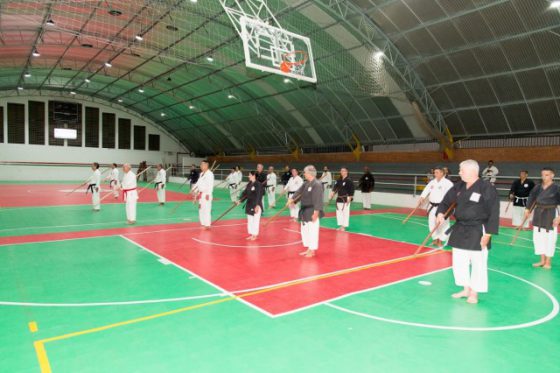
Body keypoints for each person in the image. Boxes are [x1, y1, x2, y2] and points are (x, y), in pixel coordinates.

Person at [436, 159, 499, 304]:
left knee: (478, 262)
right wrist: (440, 213)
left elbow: (494, 211)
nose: (459, 173)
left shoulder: (486, 187)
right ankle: (465, 288)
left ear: (472, 171)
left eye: (461, 170)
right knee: (459, 261)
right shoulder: (459, 186)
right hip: (460, 227)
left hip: (478, 229)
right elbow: (445, 202)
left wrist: (488, 234)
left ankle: (474, 293)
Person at [525, 168, 560, 269]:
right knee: (538, 238)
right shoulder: (538, 187)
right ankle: (542, 260)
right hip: (538, 214)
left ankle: (548, 262)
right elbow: (531, 197)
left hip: (551, 214)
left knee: (550, 239)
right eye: (543, 175)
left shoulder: (556, 188)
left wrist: (559, 217)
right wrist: (527, 210)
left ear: (552, 175)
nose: (544, 177)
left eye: (547, 175)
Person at [288, 165, 324, 258]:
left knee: (312, 230)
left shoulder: (317, 184)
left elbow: (318, 200)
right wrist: (291, 199)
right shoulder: (306, 183)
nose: (304, 174)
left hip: (312, 210)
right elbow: (298, 192)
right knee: (305, 231)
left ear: (309, 173)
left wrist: (316, 213)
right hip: (304, 211)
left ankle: (312, 250)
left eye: (305, 172)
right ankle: (308, 248)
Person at [419, 166, 454, 247]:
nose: (435, 174)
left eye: (437, 172)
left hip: (443, 207)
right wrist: (422, 197)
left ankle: (441, 240)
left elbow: (451, 195)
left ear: (442, 173)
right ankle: (435, 239)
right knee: (432, 223)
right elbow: (426, 190)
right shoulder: (432, 182)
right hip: (432, 206)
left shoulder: (448, 183)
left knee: (443, 224)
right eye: (434, 172)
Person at [238, 171, 264, 240]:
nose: (248, 176)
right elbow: (245, 194)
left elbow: (259, 195)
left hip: (256, 205)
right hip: (249, 204)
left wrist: (257, 205)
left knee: (255, 220)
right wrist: (240, 200)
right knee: (250, 220)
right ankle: (252, 234)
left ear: (254, 176)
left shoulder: (258, 184)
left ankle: (255, 235)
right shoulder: (249, 184)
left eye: (249, 175)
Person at [330, 167, 355, 231]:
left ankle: (344, 226)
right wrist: (332, 193)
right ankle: (341, 226)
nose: (342, 172)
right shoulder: (339, 180)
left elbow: (352, 189)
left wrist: (350, 198)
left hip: (346, 198)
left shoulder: (349, 180)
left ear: (347, 172)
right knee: (339, 212)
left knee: (345, 212)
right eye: (341, 171)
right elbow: (335, 187)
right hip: (339, 198)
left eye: (343, 171)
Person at [193, 160, 214, 230]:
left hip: (206, 194)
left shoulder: (210, 174)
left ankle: (207, 225)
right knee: (201, 209)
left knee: (206, 209)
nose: (200, 166)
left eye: (202, 165)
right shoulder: (201, 174)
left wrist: (208, 194)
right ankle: (203, 223)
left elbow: (210, 185)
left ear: (206, 165)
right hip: (201, 194)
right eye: (201, 165)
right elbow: (198, 184)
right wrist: (194, 189)